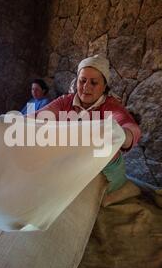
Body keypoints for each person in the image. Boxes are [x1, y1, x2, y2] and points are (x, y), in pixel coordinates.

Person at [36, 54, 142, 205]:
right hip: (74, 163)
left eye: (94, 83)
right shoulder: (65, 101)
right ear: (77, 81)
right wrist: (11, 123)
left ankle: (123, 188)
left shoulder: (111, 107)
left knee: (86, 202)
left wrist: (123, 134)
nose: (86, 87)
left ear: (104, 86)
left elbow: (129, 127)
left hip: (105, 169)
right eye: (82, 81)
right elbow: (40, 116)